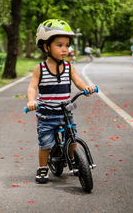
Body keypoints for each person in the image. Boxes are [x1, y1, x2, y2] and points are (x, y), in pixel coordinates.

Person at [26, 19, 96, 184]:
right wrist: (31, 101)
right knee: (45, 144)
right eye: (59, 45)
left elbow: (78, 81)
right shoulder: (40, 69)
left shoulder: (69, 67)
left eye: (67, 45)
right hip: (46, 115)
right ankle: (43, 168)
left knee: (72, 139)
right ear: (46, 46)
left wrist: (86, 88)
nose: (65, 49)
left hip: (65, 113)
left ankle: (74, 160)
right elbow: (32, 87)